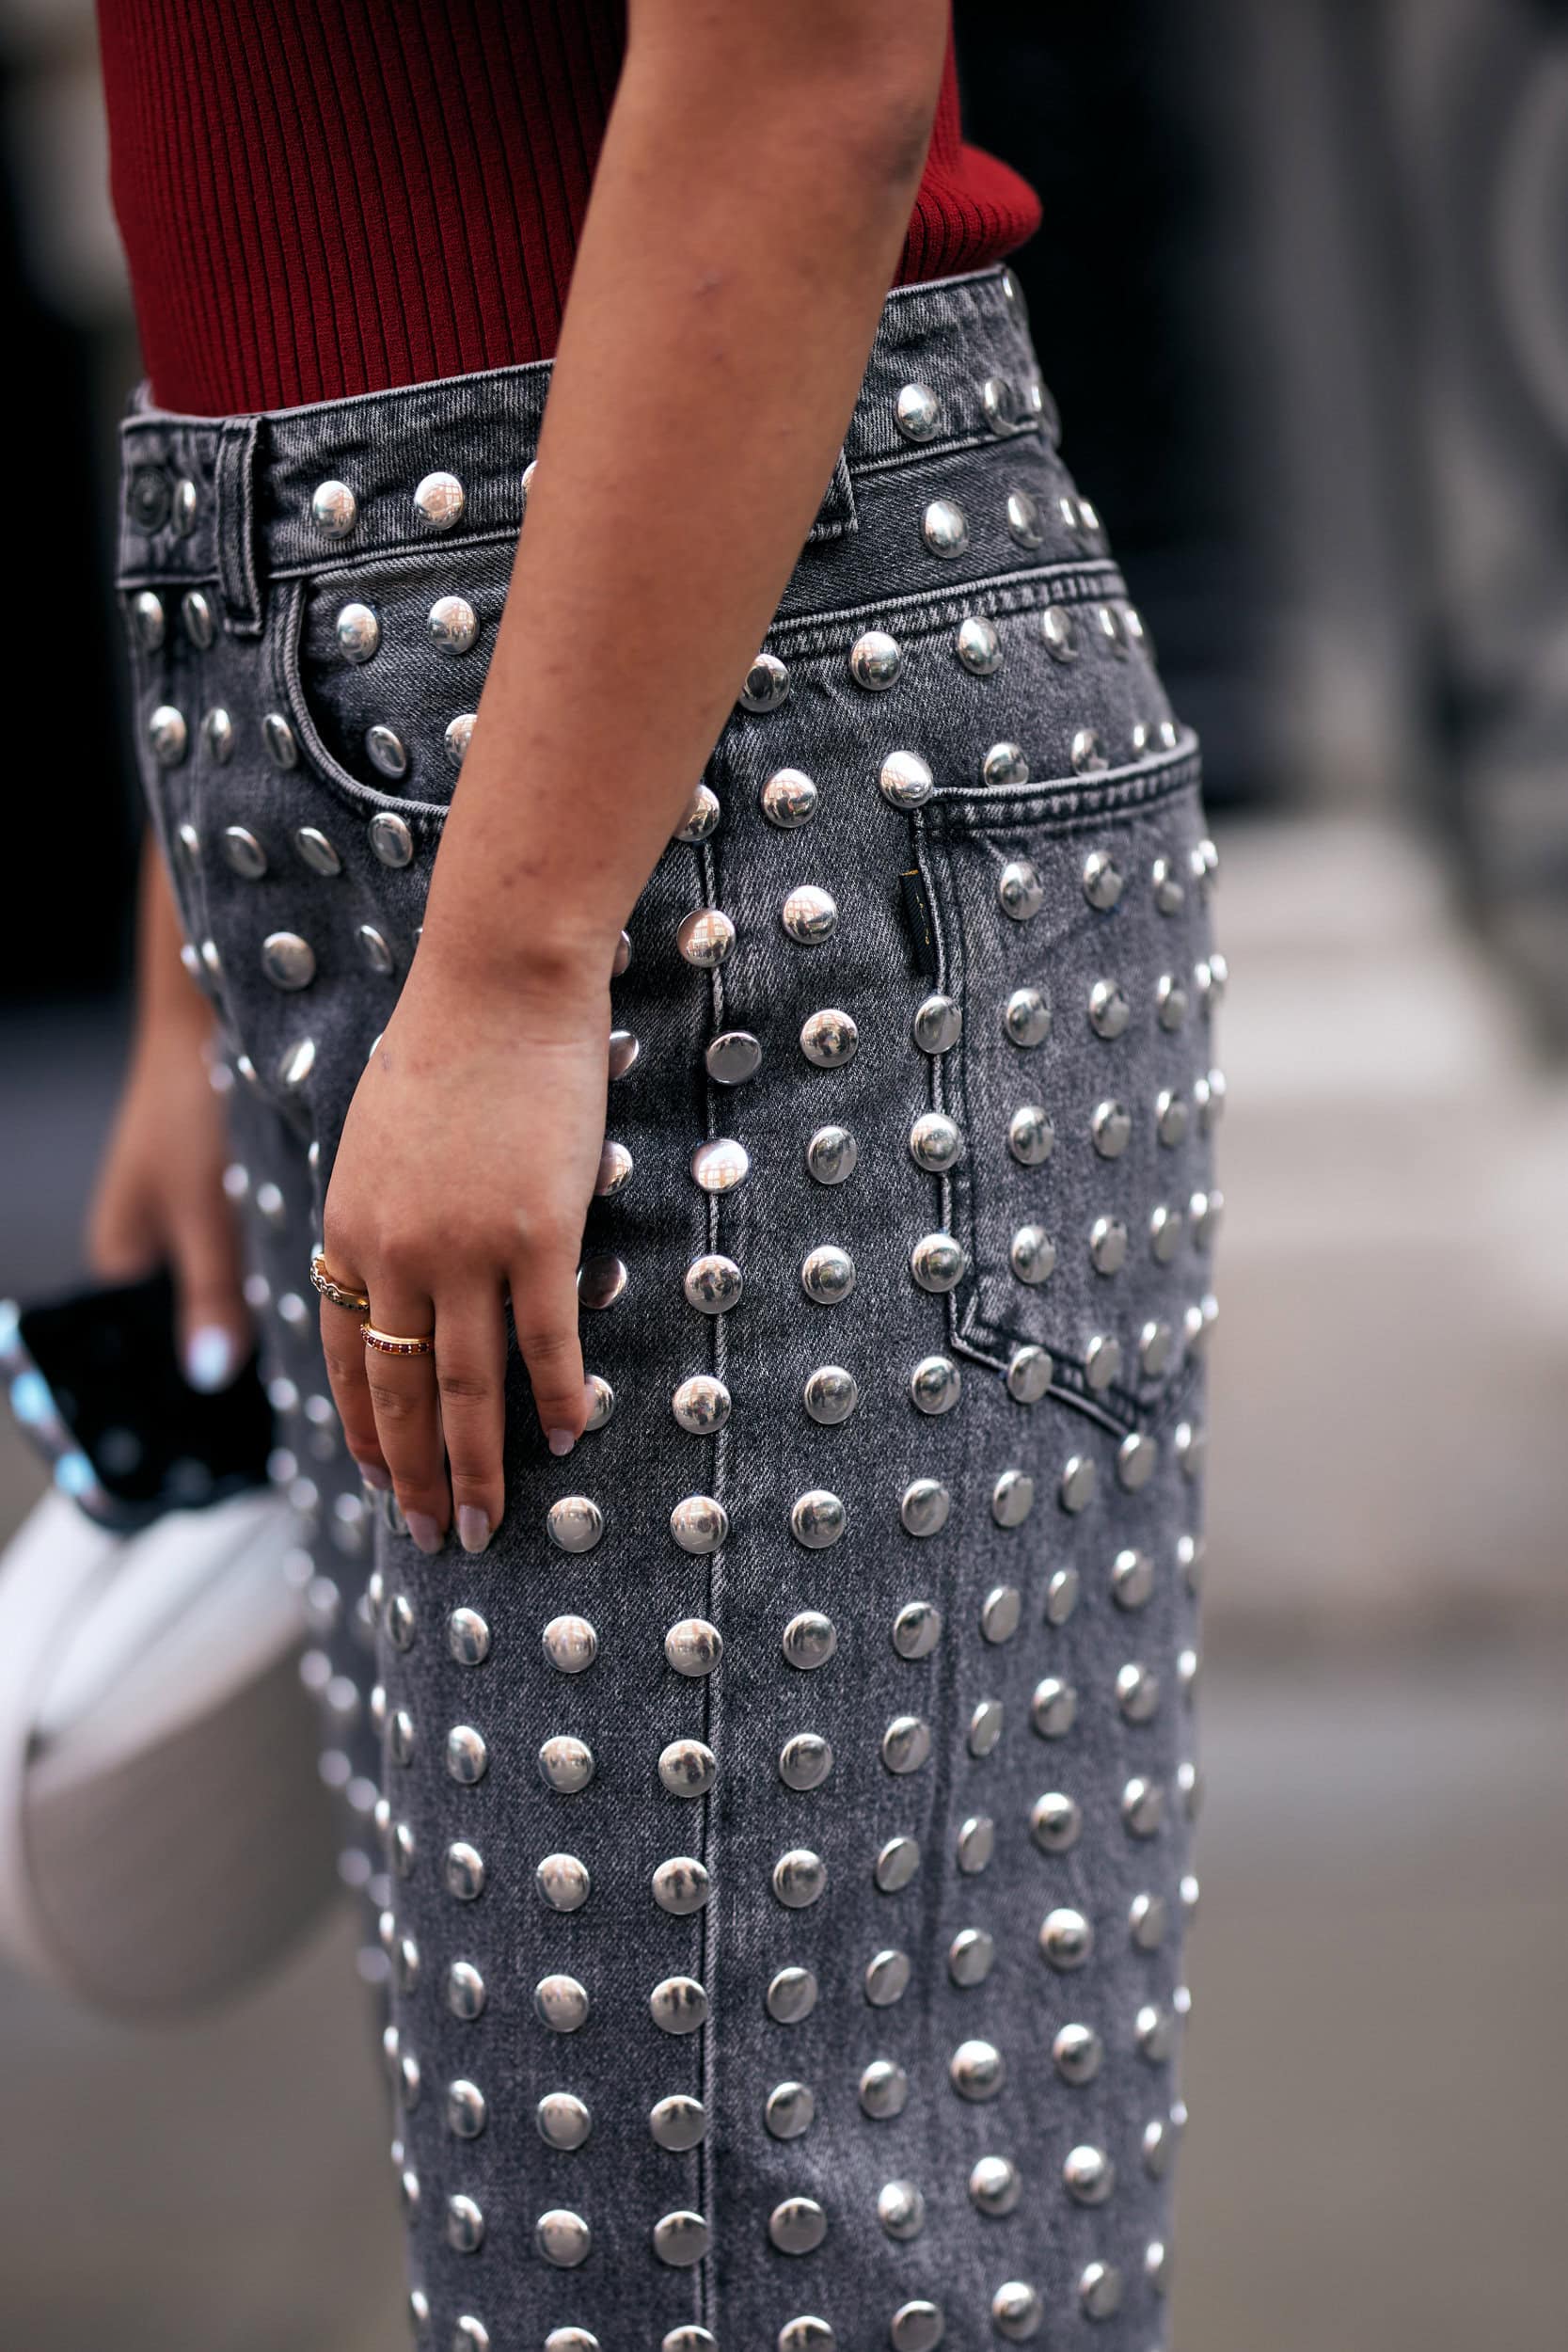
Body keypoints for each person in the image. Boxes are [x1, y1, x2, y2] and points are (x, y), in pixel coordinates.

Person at [90, 3, 1220, 2344]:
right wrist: (204, 942)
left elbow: (808, 70)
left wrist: (515, 956)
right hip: (418, 749)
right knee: (579, 2192)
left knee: (732, 2230)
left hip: (722, 761)